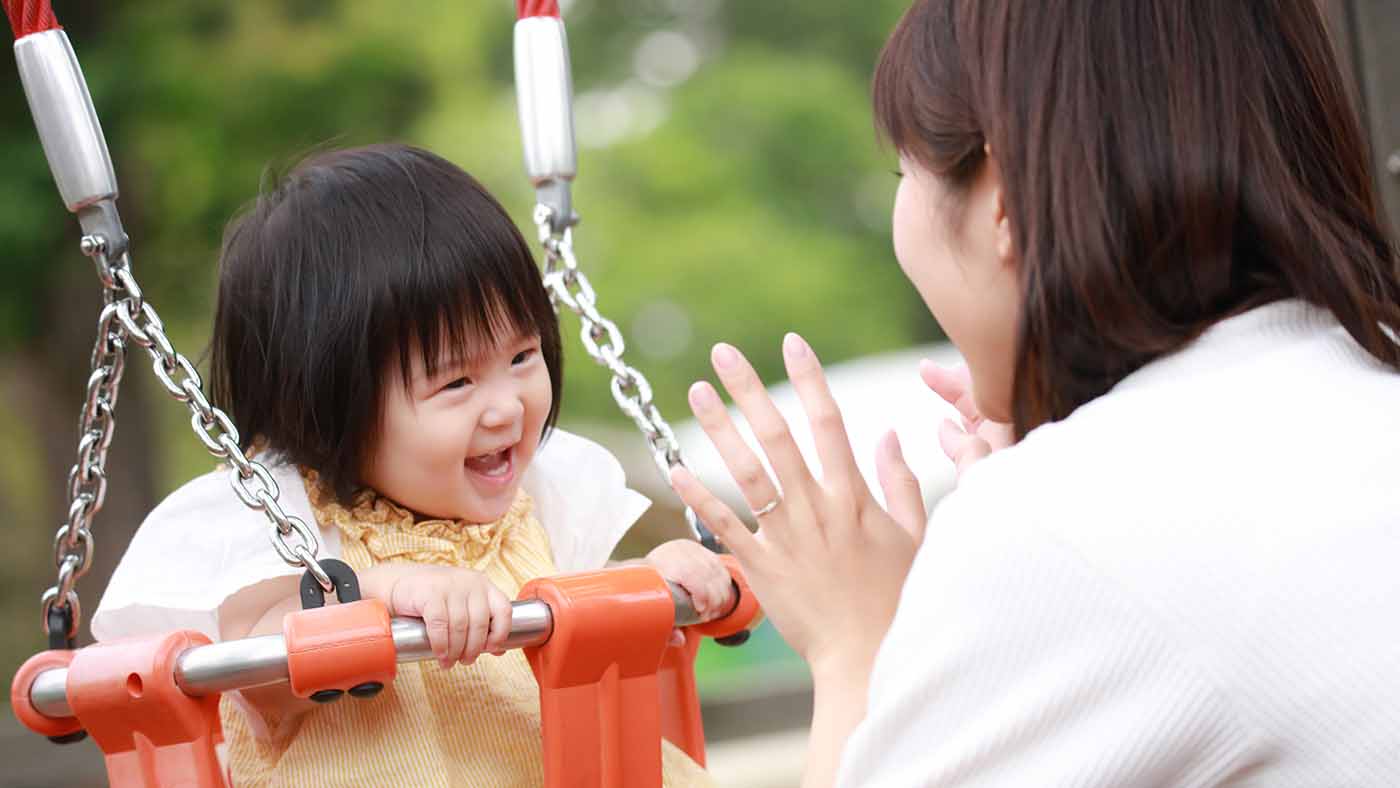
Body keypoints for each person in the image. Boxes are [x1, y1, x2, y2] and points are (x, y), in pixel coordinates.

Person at [668, 1, 1400, 785]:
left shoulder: (1068, 520)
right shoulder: (1368, 375)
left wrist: (855, 644)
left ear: (1003, 202)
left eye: (902, 171)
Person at [92, 144, 731, 787]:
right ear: (327, 408)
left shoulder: (533, 501)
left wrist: (649, 582)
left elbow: (584, 623)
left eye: (522, 356)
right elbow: (257, 675)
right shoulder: (287, 522)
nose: (507, 407)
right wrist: (378, 589)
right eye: (455, 383)